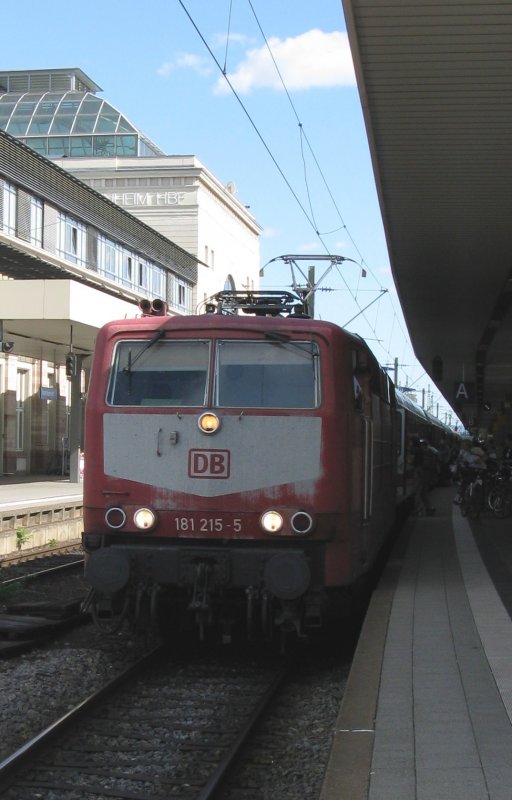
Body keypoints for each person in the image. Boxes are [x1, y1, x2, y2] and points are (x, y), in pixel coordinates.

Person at [408, 436, 436, 516]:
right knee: (424, 492)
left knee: (416, 491)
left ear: (413, 442)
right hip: (423, 472)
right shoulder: (421, 450)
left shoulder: (414, 450)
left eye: (410, 441)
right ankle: (429, 508)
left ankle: (418, 510)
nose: (409, 443)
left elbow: (410, 461)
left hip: (417, 472)